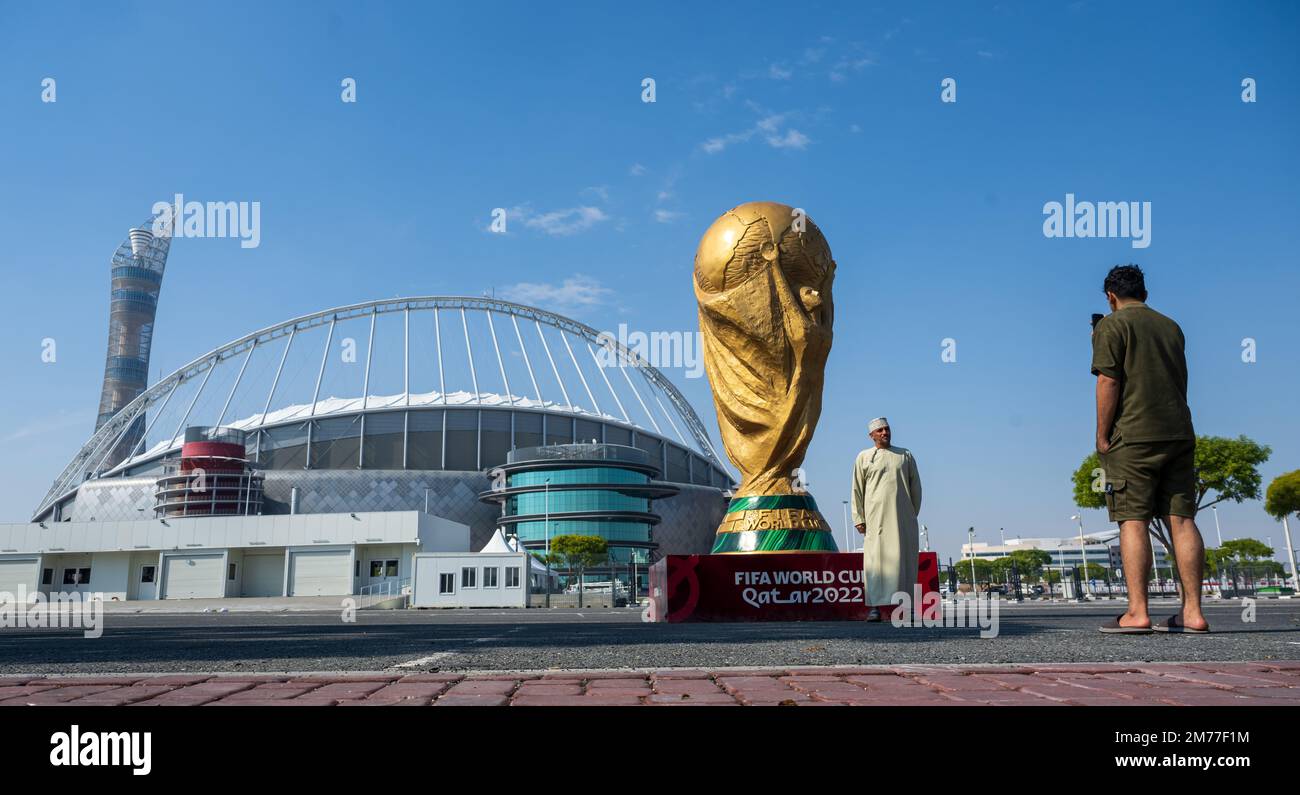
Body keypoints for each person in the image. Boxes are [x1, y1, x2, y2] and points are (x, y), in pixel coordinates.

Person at [1092, 264, 1209, 634]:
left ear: (1111, 296)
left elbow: (1109, 382)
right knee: (1183, 519)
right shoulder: (1171, 326)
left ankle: (1137, 612)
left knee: (1133, 519)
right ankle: (1192, 612)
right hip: (1179, 432)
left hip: (1134, 436)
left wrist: (1102, 435)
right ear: (1144, 293)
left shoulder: (1112, 325)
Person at [851, 417, 922, 621]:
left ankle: (906, 608)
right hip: (875, 519)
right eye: (880, 430)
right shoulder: (864, 457)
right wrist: (858, 517)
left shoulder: (904, 455)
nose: (884, 432)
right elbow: (856, 489)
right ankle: (875, 608)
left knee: (904, 561)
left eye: (887, 429)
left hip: (902, 519)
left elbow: (915, 487)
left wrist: (910, 514)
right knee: (876, 562)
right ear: (871, 435)